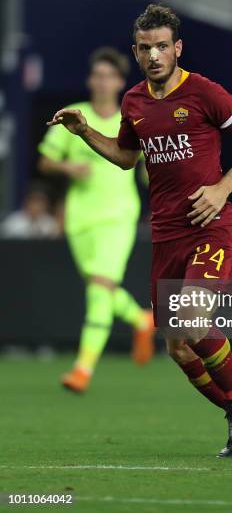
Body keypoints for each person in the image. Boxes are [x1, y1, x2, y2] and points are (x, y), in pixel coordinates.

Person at [46, 4, 232, 457]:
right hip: (166, 238)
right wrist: (86, 130)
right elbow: (128, 157)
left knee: (191, 321)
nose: (154, 56)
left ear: (178, 48)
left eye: (162, 47)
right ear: (136, 51)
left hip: (211, 228)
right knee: (179, 350)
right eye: (146, 48)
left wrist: (222, 188)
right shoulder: (133, 102)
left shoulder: (206, 93)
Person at [38, 47, 155, 393]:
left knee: (99, 290)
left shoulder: (130, 119)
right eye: (97, 75)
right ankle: (140, 319)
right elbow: (45, 161)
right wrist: (67, 167)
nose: (101, 81)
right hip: (80, 218)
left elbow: (149, 166)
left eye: (109, 75)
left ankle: (82, 369)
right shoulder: (72, 117)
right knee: (100, 285)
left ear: (120, 81)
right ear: (90, 79)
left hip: (118, 216)